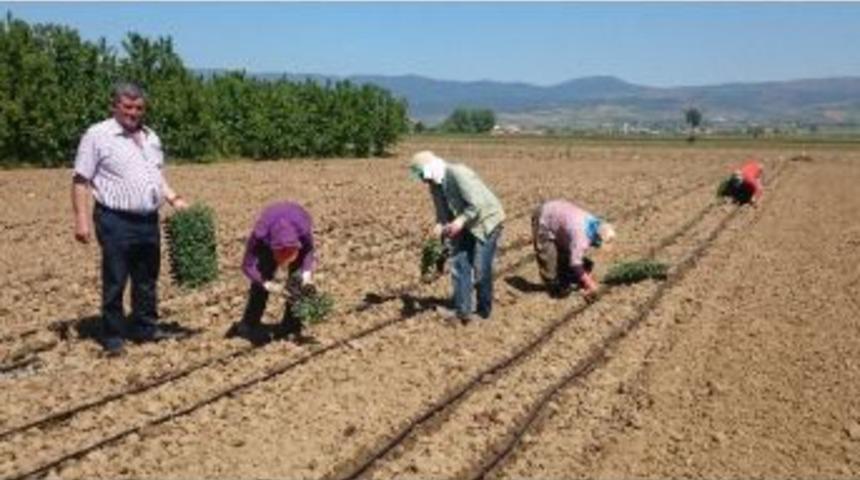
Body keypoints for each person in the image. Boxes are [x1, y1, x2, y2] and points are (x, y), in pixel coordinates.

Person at [71, 82, 189, 355]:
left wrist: (174, 198)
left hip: (148, 218)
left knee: (147, 278)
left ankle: (145, 328)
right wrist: (81, 220)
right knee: (116, 278)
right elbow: (80, 180)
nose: (133, 112)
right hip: (115, 219)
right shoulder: (98, 135)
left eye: (138, 107)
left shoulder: (151, 137)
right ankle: (112, 335)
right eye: (127, 106)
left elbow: (156, 177)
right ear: (114, 106)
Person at [409, 150, 505, 324]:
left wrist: (460, 221)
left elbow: (477, 205)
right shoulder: (435, 186)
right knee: (459, 264)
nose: (422, 180)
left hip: (486, 221)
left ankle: (483, 312)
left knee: (481, 269)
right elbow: (442, 215)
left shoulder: (457, 173)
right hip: (464, 224)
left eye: (422, 174)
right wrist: (437, 231)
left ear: (430, 168)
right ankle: (463, 310)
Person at [231, 201, 316, 344]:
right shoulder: (260, 234)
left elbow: (308, 250)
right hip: (268, 239)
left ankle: (291, 325)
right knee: (262, 273)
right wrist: (267, 284)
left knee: (297, 281)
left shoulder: (302, 229)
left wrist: (306, 275)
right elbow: (247, 266)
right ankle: (249, 323)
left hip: (296, 224)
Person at [531, 199, 616, 299]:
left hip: (559, 217)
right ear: (597, 238)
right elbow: (575, 263)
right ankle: (553, 288)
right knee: (548, 260)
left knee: (566, 256)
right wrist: (590, 284)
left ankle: (565, 277)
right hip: (544, 217)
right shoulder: (581, 237)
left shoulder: (595, 224)